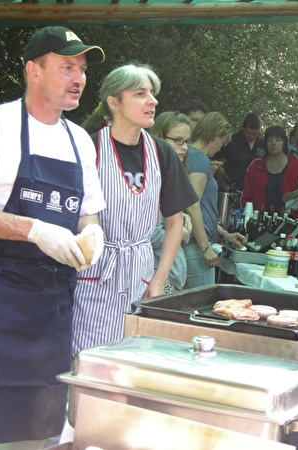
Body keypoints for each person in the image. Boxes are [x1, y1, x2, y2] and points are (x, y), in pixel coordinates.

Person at [0, 26, 106, 449]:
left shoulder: (80, 142)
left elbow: (89, 208)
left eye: (83, 69)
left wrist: (92, 230)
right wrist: (34, 229)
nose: (79, 78)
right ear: (34, 71)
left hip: (51, 313)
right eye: (67, 66)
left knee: (39, 434)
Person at [71, 64, 199, 356]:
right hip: (96, 273)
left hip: (140, 274)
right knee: (88, 358)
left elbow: (175, 222)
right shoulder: (89, 149)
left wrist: (159, 279)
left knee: (131, 360)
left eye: (152, 93)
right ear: (114, 102)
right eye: (140, 94)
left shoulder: (162, 153)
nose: (152, 101)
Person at [184, 112, 247, 289]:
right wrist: (205, 248)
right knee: (198, 304)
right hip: (196, 245)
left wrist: (224, 234)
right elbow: (192, 204)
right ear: (215, 135)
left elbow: (202, 206)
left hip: (196, 241)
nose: (221, 148)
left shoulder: (191, 155)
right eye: (222, 141)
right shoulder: (200, 159)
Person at [149, 111, 196, 293]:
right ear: (160, 138)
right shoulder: (150, 177)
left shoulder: (169, 173)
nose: (184, 147)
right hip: (155, 278)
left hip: (169, 278)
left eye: (187, 141)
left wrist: (178, 215)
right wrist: (179, 232)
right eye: (178, 140)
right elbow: (144, 234)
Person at [240, 125, 294, 213]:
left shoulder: (294, 164)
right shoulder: (256, 165)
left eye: (278, 140)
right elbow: (247, 196)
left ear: (284, 142)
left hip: (287, 218)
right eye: (270, 140)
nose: (273, 143)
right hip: (259, 217)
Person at [214, 112, 264, 190]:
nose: (251, 136)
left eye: (255, 134)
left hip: (255, 191)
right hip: (232, 190)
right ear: (243, 127)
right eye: (248, 133)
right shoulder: (231, 141)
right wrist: (220, 172)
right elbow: (211, 156)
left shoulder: (263, 145)